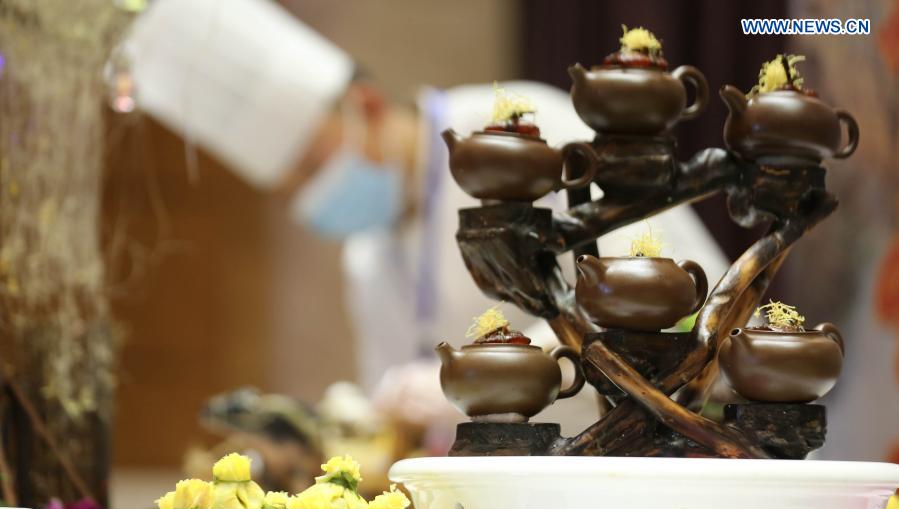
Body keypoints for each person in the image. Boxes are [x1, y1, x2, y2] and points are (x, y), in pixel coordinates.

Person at [126, 0, 729, 445]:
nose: (312, 195)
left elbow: (671, 308)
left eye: (312, 164)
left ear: (365, 106)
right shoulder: (365, 254)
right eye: (291, 186)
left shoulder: (521, 134)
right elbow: (397, 431)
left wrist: (489, 376)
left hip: (652, 454)